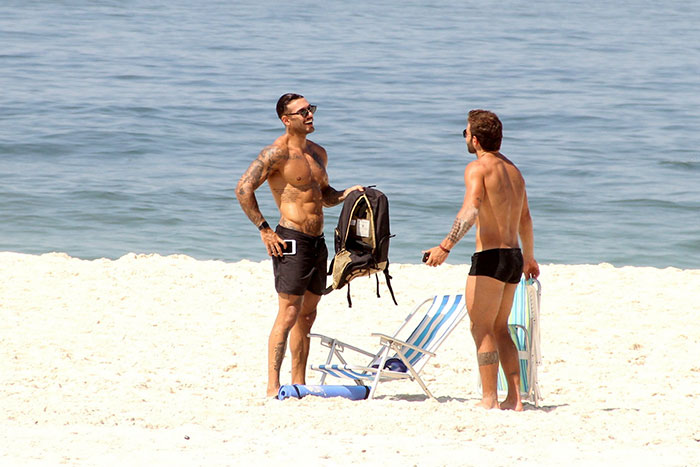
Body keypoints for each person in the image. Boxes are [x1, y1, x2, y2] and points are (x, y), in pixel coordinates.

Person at [236, 93, 363, 397]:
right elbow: (243, 189)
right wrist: (265, 230)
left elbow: (324, 195)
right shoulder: (275, 154)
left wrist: (348, 194)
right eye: (302, 111)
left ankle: (299, 382)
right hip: (290, 239)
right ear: (286, 119)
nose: (310, 115)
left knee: (308, 314)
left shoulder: (319, 153)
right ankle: (272, 385)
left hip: (318, 242)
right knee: (289, 312)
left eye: (311, 109)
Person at [423, 109, 539, 411]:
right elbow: (525, 218)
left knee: (482, 328)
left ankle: (489, 399)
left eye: (465, 132)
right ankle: (515, 398)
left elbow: (471, 209)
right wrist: (529, 257)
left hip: (490, 258)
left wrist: (445, 246)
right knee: (501, 328)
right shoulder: (515, 171)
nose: (463, 136)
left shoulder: (478, 168)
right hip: (514, 257)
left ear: (475, 139)